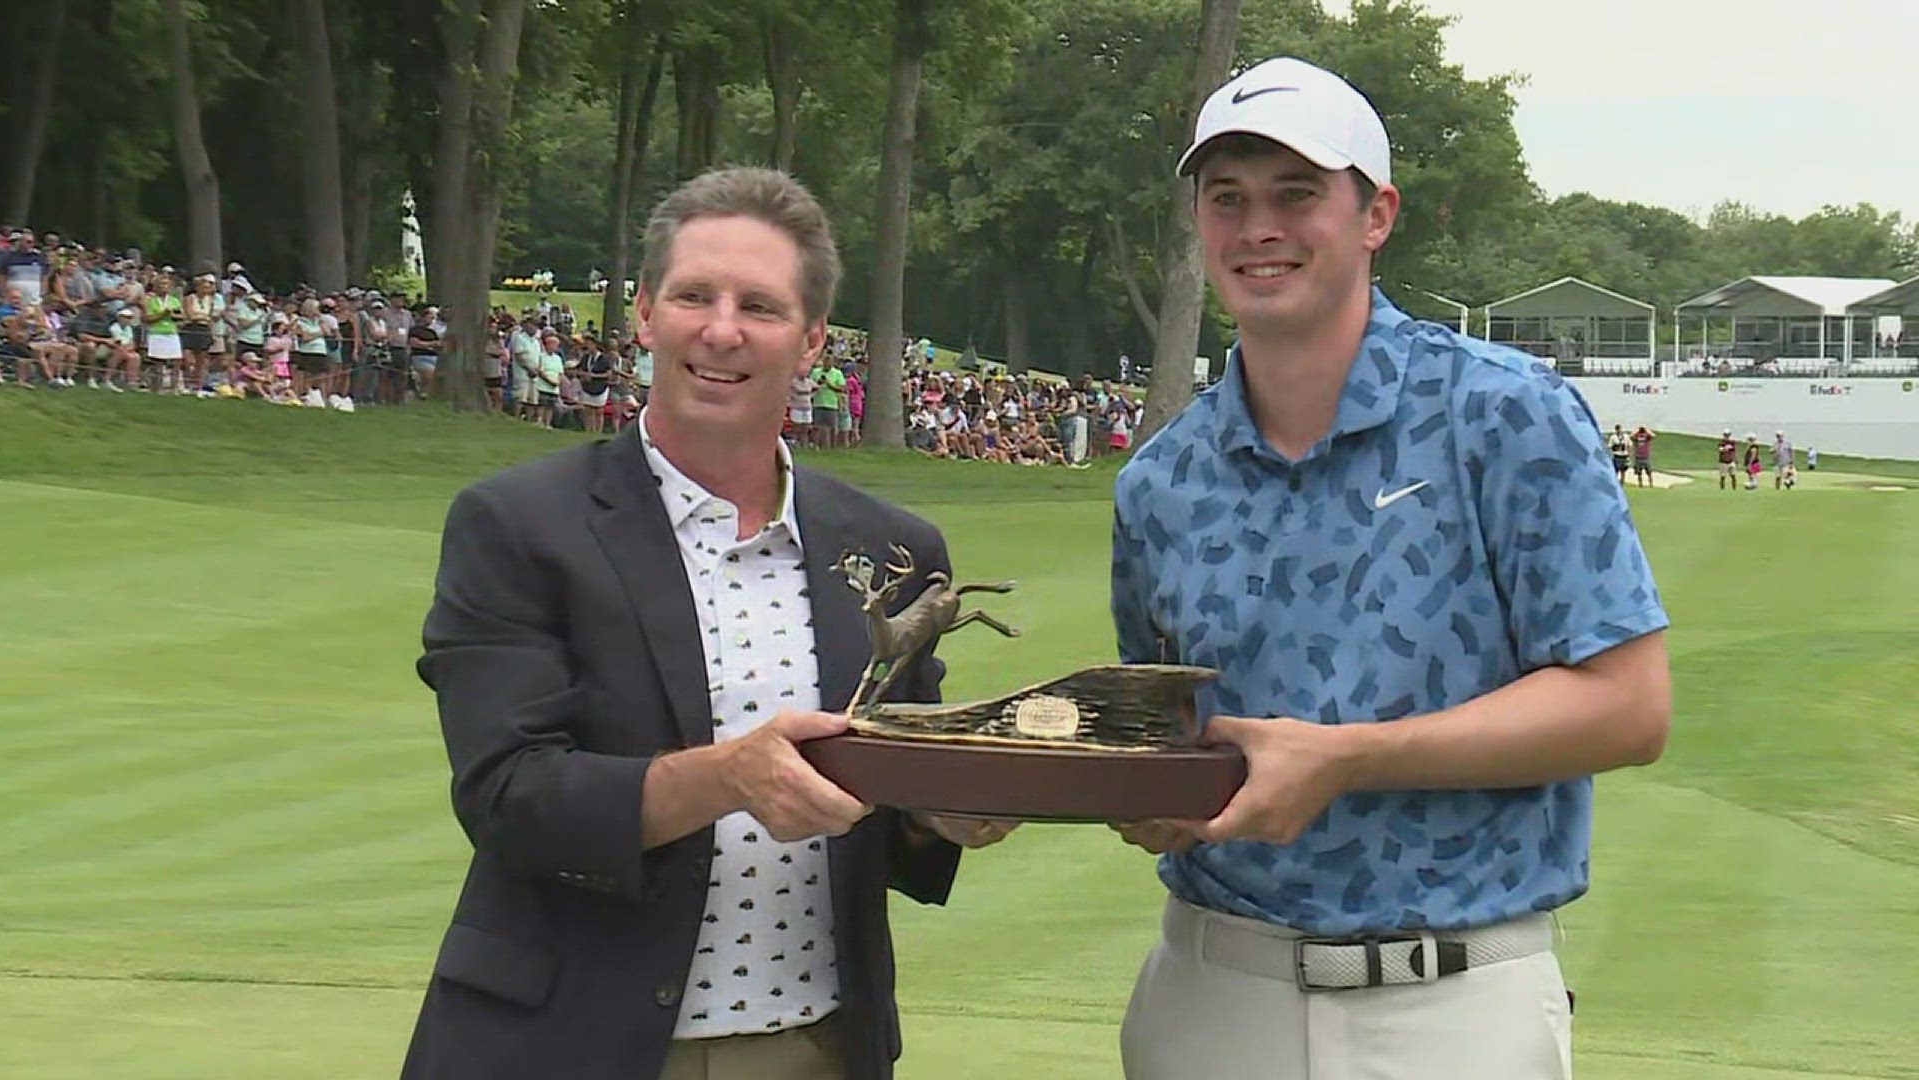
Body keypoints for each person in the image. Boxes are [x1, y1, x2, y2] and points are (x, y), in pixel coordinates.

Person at [1108, 57, 1670, 1080]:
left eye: (1296, 195)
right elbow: (1171, 739)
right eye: (1226, 199)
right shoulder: (1160, 480)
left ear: (1376, 216)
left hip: (1455, 1005)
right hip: (1210, 994)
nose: (1257, 229)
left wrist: (1350, 757)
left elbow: (1628, 709)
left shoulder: (1504, 413)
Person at [399, 167, 1012, 1080]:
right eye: (695, 296)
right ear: (646, 313)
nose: (722, 329)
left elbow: (888, 796)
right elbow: (510, 798)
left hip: (814, 1049)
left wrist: (948, 810)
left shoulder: (893, 550)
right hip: (567, 1046)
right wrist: (729, 776)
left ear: (810, 343)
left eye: (760, 306)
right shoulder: (520, 525)